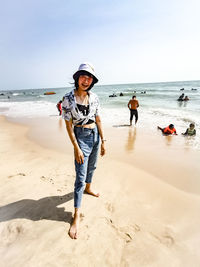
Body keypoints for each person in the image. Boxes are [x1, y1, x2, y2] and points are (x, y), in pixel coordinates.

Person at [62, 63, 106, 239]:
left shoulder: (94, 97)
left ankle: (89, 188)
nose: (86, 80)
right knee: (79, 177)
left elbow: (98, 118)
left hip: (95, 134)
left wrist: (103, 140)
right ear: (77, 78)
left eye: (89, 77)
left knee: (92, 167)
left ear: (92, 81)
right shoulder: (68, 99)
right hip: (80, 136)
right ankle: (76, 215)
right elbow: (68, 126)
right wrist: (77, 147)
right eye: (83, 76)